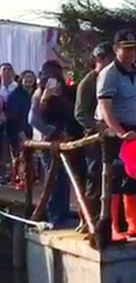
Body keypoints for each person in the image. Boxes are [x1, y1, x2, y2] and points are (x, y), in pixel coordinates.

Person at [96, 30, 136, 240]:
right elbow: (105, 107)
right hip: (113, 128)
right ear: (116, 50)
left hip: (134, 126)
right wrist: (119, 133)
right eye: (127, 48)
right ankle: (113, 226)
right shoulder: (109, 73)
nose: (132, 53)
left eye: (135, 49)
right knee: (113, 176)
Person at [28, 61, 82, 227]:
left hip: (64, 141)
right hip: (49, 143)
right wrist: (54, 132)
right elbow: (33, 119)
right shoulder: (39, 94)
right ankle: (56, 216)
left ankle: (63, 212)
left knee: (64, 178)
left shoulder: (63, 93)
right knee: (55, 178)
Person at [75, 43, 112, 212]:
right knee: (94, 176)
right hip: (93, 137)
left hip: (112, 135)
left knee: (113, 177)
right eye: (105, 58)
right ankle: (90, 217)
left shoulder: (112, 79)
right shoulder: (88, 82)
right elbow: (80, 113)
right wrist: (98, 127)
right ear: (98, 59)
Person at [5, 70, 36, 189]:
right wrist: (20, 132)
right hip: (17, 131)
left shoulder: (34, 94)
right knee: (19, 157)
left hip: (31, 131)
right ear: (21, 80)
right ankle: (19, 181)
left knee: (29, 158)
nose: (29, 80)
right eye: (26, 78)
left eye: (31, 77)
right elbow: (13, 117)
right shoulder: (15, 95)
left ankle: (29, 180)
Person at [0, 63, 18, 182]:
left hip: (15, 122)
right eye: (4, 69)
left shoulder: (17, 87)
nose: (6, 72)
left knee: (14, 148)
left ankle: (15, 175)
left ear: (12, 72)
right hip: (1, 123)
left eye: (9, 69)